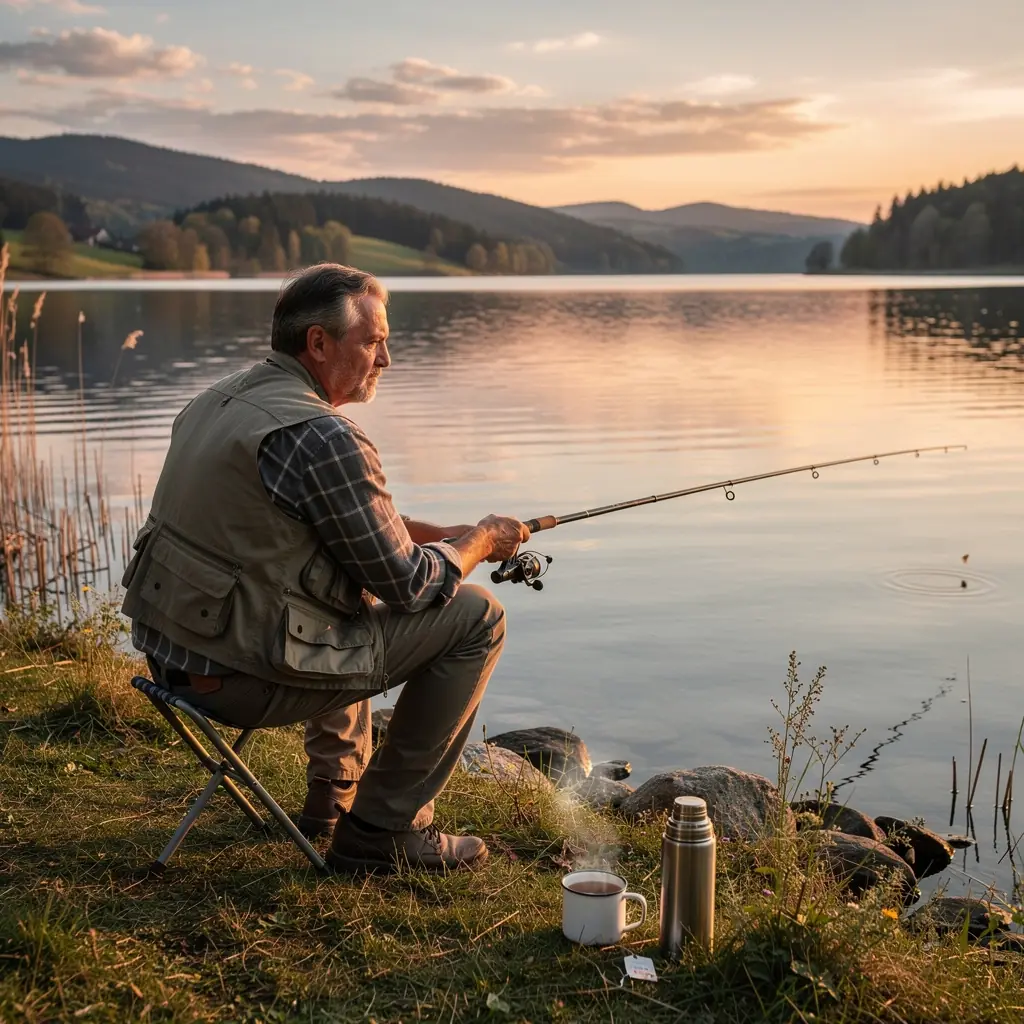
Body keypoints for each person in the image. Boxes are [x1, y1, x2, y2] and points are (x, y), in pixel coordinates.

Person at [122, 263, 528, 873]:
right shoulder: (327, 437)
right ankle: (384, 830)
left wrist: (447, 535)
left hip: (171, 657)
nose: (386, 359)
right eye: (373, 341)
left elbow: (334, 526)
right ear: (318, 342)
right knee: (478, 616)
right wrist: (479, 543)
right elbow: (412, 585)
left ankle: (331, 797)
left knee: (342, 590)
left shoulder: (219, 399)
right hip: (241, 679)